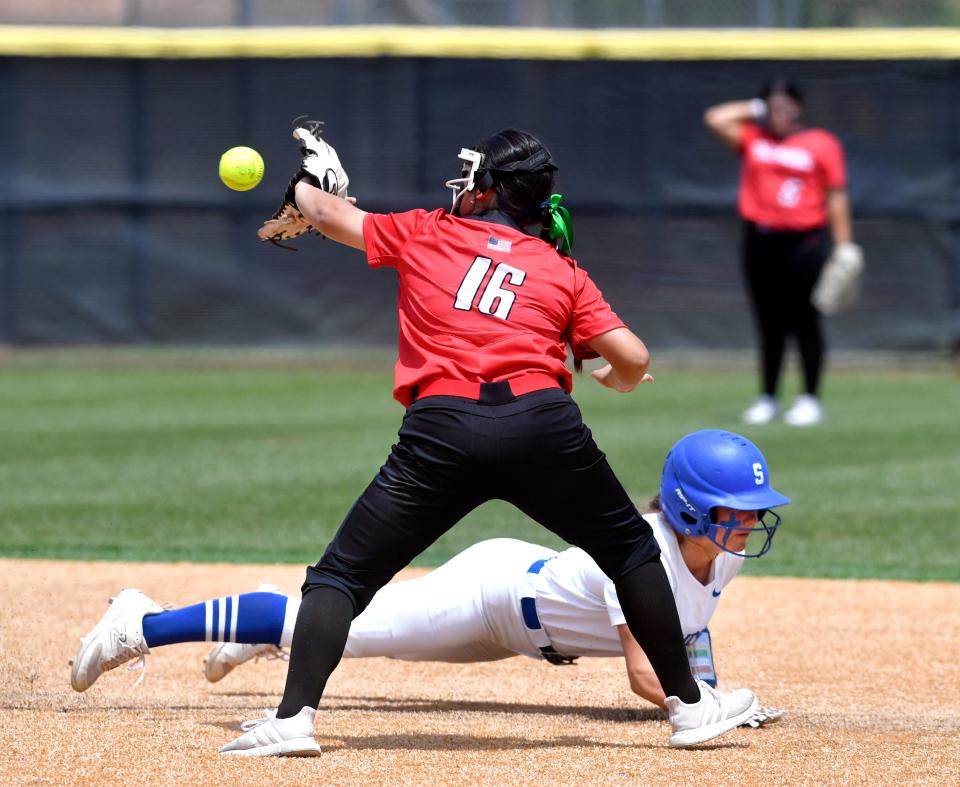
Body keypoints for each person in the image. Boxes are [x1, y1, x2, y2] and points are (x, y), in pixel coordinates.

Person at [72, 126, 760, 754]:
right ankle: (690, 707)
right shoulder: (560, 269)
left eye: (475, 178)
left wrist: (314, 186)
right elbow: (633, 356)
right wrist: (612, 377)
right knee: (633, 550)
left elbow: (323, 215)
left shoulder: (429, 230)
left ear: (487, 190)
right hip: (543, 427)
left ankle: (292, 721)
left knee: (341, 576)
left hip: (445, 431)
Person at [70, 431, 787, 727]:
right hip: (491, 599)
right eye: (736, 510)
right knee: (327, 623)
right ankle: (141, 620)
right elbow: (643, 672)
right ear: (691, 506)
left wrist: (716, 691)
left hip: (521, 623)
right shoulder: (646, 553)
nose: (747, 524)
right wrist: (708, 705)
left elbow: (690, 633)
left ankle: (264, 640)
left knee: (329, 629)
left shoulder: (717, 551)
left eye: (752, 512)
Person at [704, 80, 860, 427]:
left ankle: (809, 398)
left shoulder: (820, 143)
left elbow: (836, 194)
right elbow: (715, 118)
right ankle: (769, 397)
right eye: (774, 107)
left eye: (787, 106)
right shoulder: (755, 140)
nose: (781, 114)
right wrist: (758, 107)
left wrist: (845, 244)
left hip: (803, 242)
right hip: (761, 241)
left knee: (805, 320)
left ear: (799, 107)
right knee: (768, 323)